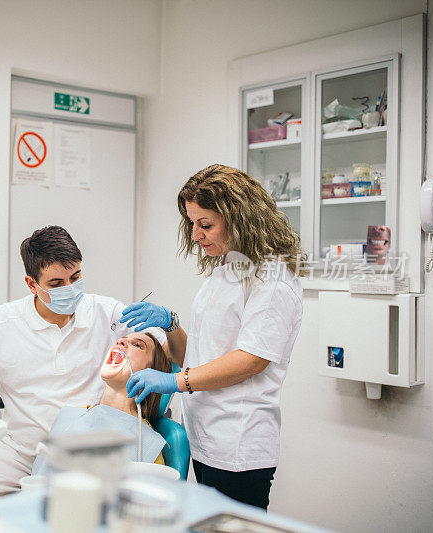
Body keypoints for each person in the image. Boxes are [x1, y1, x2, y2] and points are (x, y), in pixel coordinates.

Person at [0, 226, 166, 525]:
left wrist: (168, 322)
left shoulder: (107, 313)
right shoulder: (2, 324)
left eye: (75, 278)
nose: (71, 289)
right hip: (19, 453)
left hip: (80, 456)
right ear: (32, 284)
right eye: (57, 283)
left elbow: (160, 353)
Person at [121, 164, 305, 509]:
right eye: (191, 223)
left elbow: (250, 361)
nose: (195, 234)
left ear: (240, 220)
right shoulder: (226, 270)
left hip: (237, 442)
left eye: (205, 224)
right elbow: (201, 357)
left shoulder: (272, 279)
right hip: (205, 435)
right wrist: (170, 323)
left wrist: (173, 381)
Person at [30, 331, 174, 475]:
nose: (120, 343)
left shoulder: (148, 444)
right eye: (121, 340)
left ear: (153, 373)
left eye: (137, 345)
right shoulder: (68, 415)